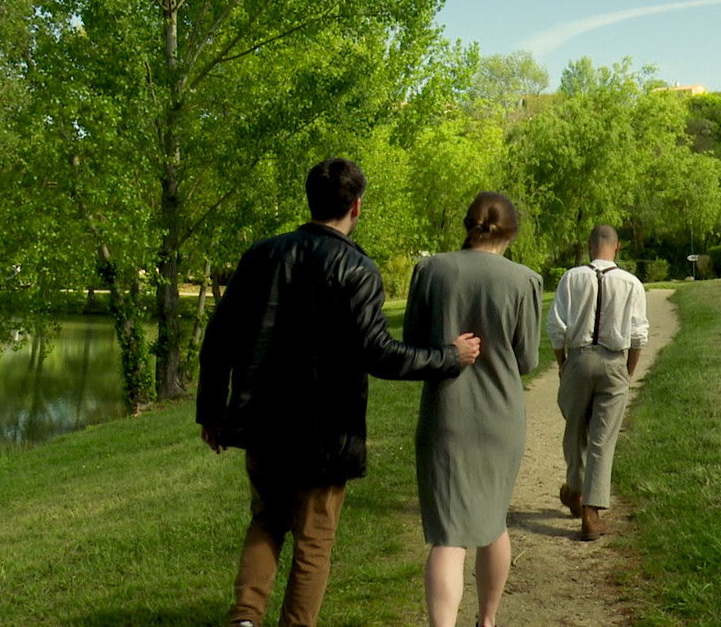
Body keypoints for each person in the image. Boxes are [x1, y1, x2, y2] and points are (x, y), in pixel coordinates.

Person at [196, 158, 482, 627]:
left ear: (311, 199)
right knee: (314, 541)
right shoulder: (357, 268)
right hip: (326, 430)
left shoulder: (262, 255)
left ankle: (245, 618)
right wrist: (449, 357)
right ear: (357, 206)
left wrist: (212, 412)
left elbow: (219, 339)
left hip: (263, 421)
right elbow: (380, 353)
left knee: (266, 520)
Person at [404, 192, 542, 627]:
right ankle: (487, 620)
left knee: (449, 534)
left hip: (446, 416)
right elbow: (527, 360)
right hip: (501, 418)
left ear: (468, 225)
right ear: (511, 233)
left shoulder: (430, 270)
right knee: (493, 520)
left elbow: (413, 344)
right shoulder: (525, 280)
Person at [546, 224, 648, 541]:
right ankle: (591, 511)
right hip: (614, 361)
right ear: (617, 248)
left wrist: (563, 364)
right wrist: (627, 371)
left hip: (578, 359)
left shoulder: (571, 278)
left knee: (575, 427)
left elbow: (556, 328)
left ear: (590, 246)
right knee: (603, 439)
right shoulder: (631, 283)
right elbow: (638, 335)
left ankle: (575, 489)